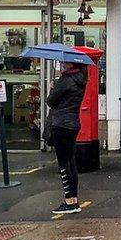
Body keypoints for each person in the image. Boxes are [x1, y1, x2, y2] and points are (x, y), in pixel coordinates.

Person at [46, 61, 87, 215]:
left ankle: (69, 202)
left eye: (64, 63)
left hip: (61, 124)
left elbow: (50, 101)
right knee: (71, 162)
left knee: (63, 163)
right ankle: (73, 200)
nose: (62, 64)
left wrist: (52, 88)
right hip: (73, 124)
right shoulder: (80, 79)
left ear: (70, 64)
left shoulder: (65, 80)